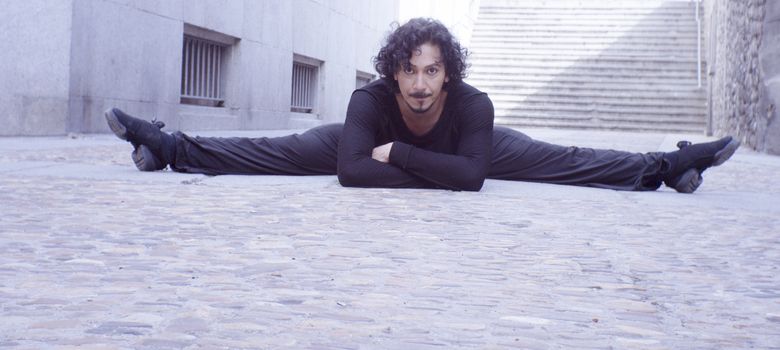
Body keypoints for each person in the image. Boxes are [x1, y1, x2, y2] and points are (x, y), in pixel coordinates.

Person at [105, 18, 739, 194]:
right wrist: (443, 171)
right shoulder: (369, 99)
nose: (419, 83)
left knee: (564, 159)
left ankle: (669, 166)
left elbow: (472, 176)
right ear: (394, 71)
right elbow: (351, 171)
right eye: (409, 70)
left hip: (461, 146)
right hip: (375, 145)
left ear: (448, 74)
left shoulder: (473, 105)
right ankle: (166, 146)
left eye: (432, 71)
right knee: (277, 150)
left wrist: (403, 155)